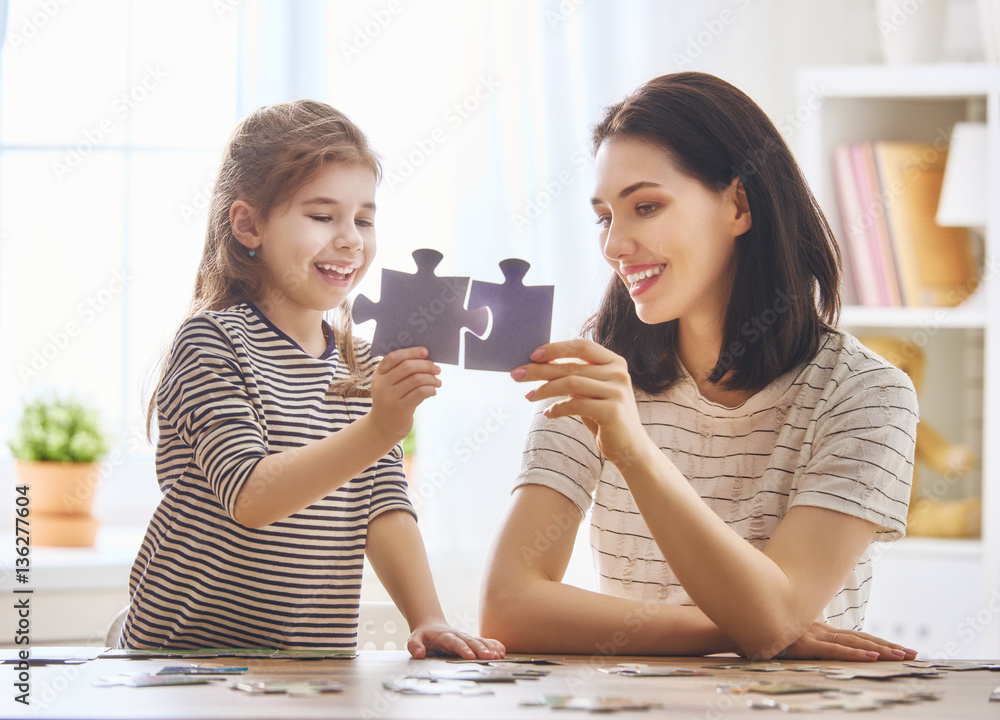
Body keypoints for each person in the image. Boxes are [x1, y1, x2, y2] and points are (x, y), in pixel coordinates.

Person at [481, 72, 918, 661]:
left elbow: (778, 614)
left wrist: (632, 449)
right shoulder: (598, 380)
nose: (613, 245)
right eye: (605, 216)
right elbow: (508, 608)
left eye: (647, 206)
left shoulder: (865, 394)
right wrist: (737, 626)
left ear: (739, 204)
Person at [121, 99, 503, 660]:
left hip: (309, 665)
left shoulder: (363, 363)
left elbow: (383, 504)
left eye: (364, 219)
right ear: (250, 224)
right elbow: (250, 496)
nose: (351, 239)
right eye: (323, 216)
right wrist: (380, 427)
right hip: (184, 664)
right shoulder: (212, 342)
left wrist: (428, 617)